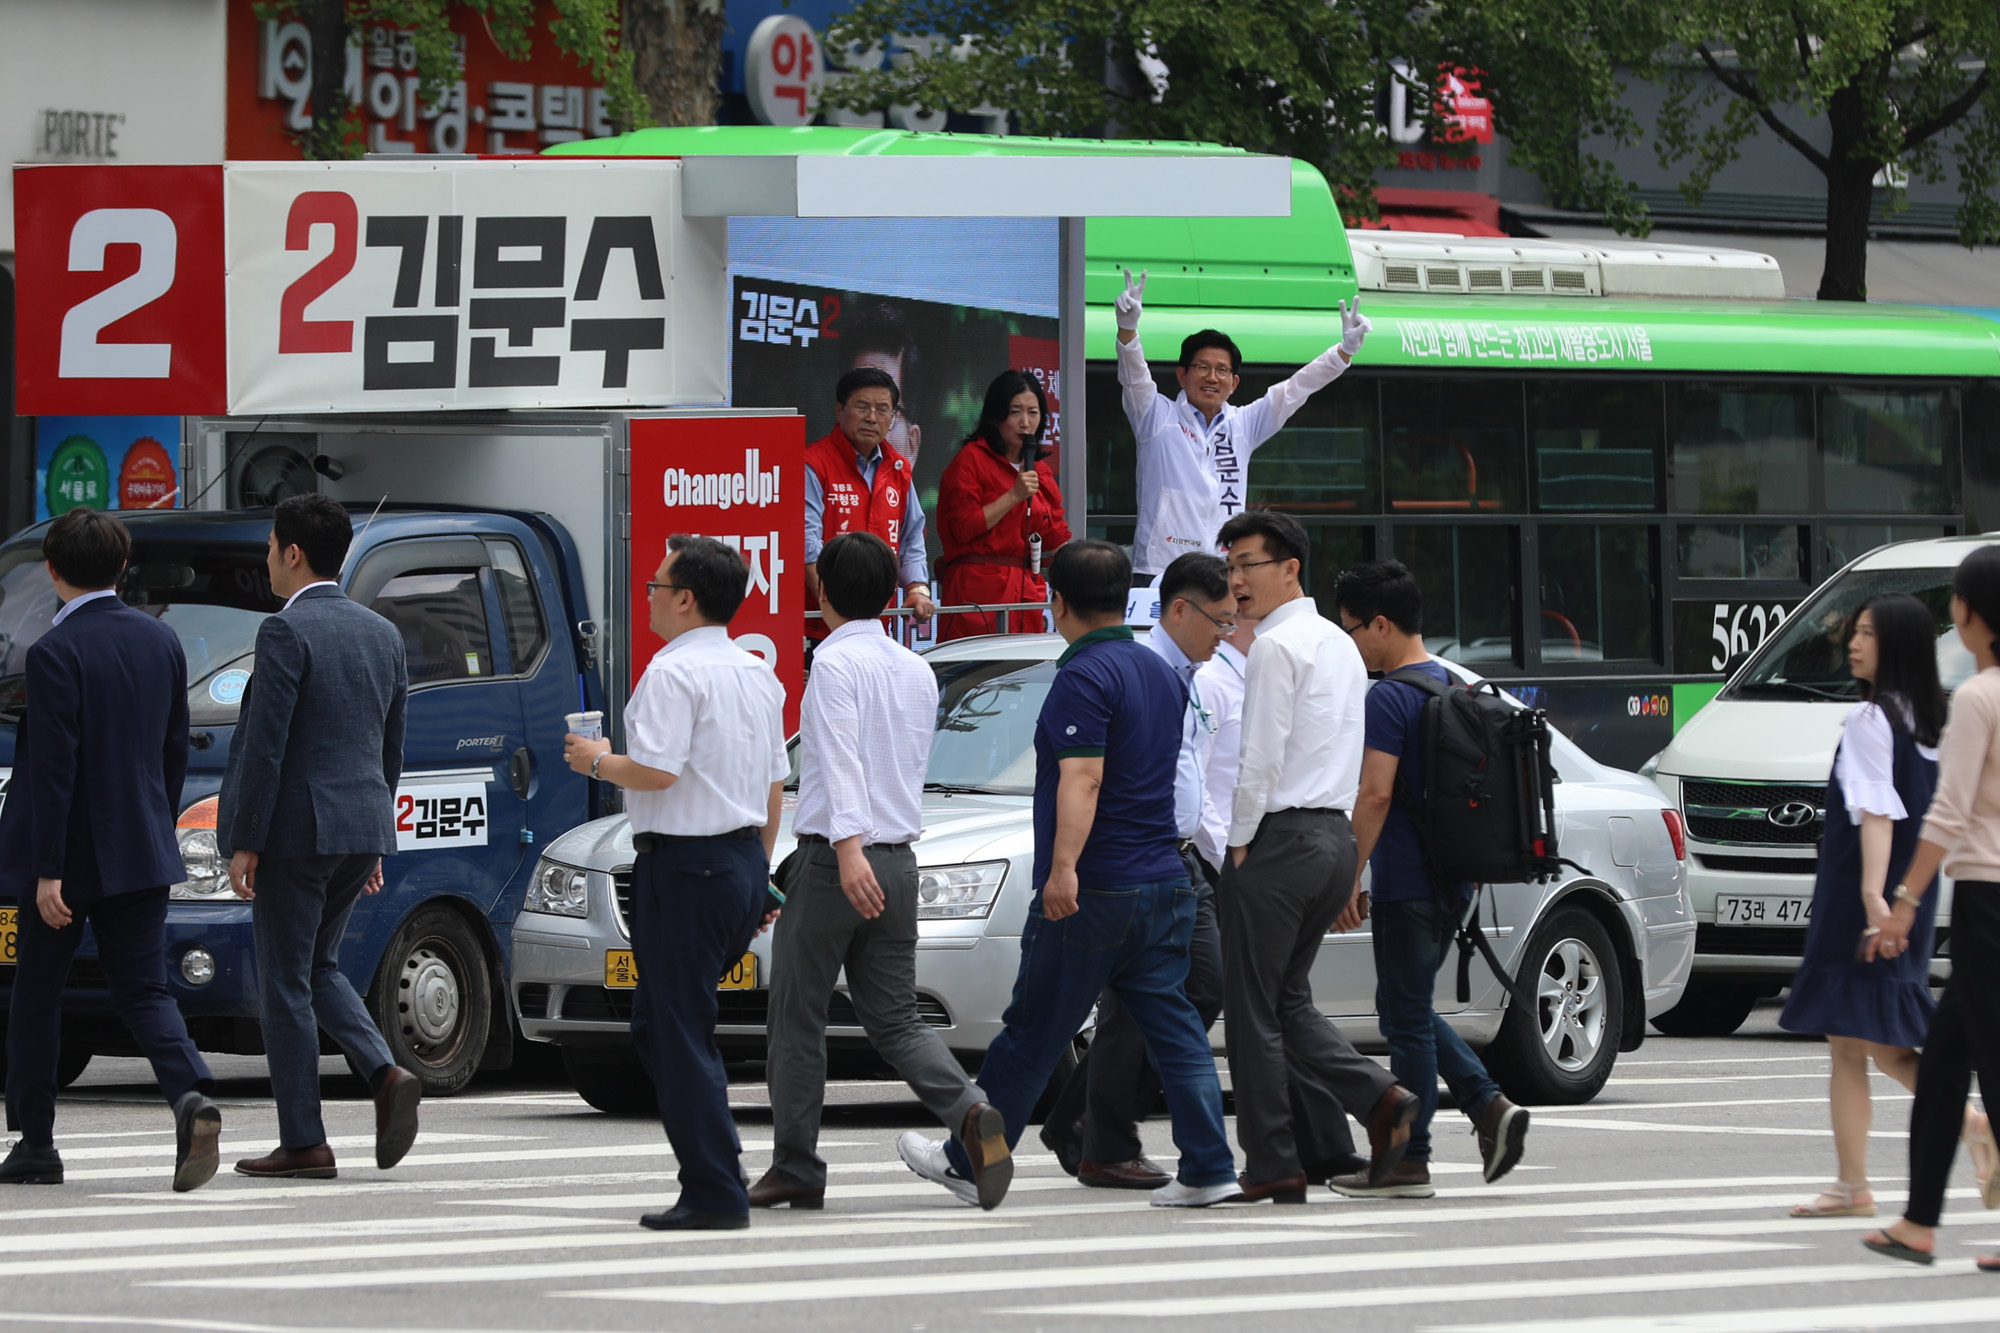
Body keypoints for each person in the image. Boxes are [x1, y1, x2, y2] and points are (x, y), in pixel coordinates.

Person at [897, 539, 1242, 1208]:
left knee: (1034, 1028)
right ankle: (1209, 1166)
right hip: (1163, 882)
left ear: (1056, 601)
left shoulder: (1084, 676)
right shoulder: (1161, 674)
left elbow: (1082, 779)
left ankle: (970, 1161)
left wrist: (1061, 869)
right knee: (1174, 1028)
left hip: (1096, 887)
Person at [1041, 554, 1364, 1190]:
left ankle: (1092, 1128)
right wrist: (1231, 855)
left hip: (1191, 856)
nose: (1228, 628)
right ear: (1181, 610)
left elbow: (1209, 779)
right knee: (1130, 997)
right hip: (1156, 858)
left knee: (1191, 991)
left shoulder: (1205, 673)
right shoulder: (1153, 670)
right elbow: (1112, 776)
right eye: (1220, 617)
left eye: (1233, 616)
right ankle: (1089, 1131)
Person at [757, 532, 1012, 1212]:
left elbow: (836, 759)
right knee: (896, 1016)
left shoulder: (834, 665)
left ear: (822, 592)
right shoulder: (915, 668)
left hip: (838, 857)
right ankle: (969, 1109)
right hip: (900, 859)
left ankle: (797, 1164)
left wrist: (845, 850)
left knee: (797, 1014)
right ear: (894, 594)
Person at [563, 535, 787, 1231]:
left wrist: (599, 759)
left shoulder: (671, 671)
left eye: (658, 585)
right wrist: (760, 876)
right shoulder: (755, 671)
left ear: (686, 598)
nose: (651, 595)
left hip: (687, 867)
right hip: (739, 861)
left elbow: (655, 771)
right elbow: (775, 782)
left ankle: (716, 1186)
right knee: (662, 1022)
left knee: (677, 1028)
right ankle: (716, 1165)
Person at [0, 508, 222, 1192]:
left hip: (67, 857)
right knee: (145, 989)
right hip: (141, 848)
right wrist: (153, 816)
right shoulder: (160, 641)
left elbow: (54, 769)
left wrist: (47, 868)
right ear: (121, 567)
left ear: (54, 572)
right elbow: (173, 748)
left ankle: (37, 1142)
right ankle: (189, 1094)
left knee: (35, 995)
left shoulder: (54, 652)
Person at [1217, 509, 1419, 1199]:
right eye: (1231, 566)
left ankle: (1273, 1162)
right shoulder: (1338, 641)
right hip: (1332, 839)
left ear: (1289, 567)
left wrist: (1239, 842)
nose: (1237, 580)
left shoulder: (1275, 647)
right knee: (1282, 1000)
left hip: (1281, 839)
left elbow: (1259, 758)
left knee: (1251, 1010)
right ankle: (1381, 1100)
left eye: (1248, 564)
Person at [220, 494, 420, 1182]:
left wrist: (245, 839)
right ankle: (384, 1070)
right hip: (359, 826)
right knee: (319, 967)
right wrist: (374, 834)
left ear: (293, 552)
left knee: (284, 981)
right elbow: (390, 744)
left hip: (296, 832)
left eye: (272, 545)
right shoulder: (381, 632)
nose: (268, 558)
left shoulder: (285, 632)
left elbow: (265, 746)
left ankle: (304, 1138)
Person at [1337, 559, 1529, 1199]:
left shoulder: (1389, 695)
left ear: (1382, 624)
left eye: (1354, 630)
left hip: (1409, 881)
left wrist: (1349, 874)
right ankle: (1486, 1106)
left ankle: (1412, 1159)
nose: (1354, 646)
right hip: (1455, 877)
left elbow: (1375, 795)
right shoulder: (1451, 684)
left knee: (1406, 1019)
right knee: (1405, 1006)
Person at [1784, 593, 1971, 1220]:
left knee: (1855, 1042)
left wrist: (1871, 898)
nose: (1852, 643)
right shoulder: (1930, 721)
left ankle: (1857, 1183)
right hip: (1913, 896)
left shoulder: (1871, 720)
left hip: (1862, 898)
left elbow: (1877, 818)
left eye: (1866, 634)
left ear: (1897, 645)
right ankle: (1869, 1175)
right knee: (1873, 1039)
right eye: (1854, 632)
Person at [1861, 549, 2000, 1267]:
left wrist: (1905, 902)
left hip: (1986, 899)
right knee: (1946, 1059)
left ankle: (1919, 1221)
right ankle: (1918, 1220)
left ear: (1970, 612)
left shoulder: (1980, 697)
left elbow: (1946, 813)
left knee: (1987, 1059)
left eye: (1956, 599)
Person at [1114, 268, 1369, 583]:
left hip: (1224, 573)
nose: (1212, 377)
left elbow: (1294, 390)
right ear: (1182, 375)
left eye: (1222, 370)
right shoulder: (1155, 415)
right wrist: (1127, 329)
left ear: (1234, 383)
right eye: (1202, 367)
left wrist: (1342, 353)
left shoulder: (1243, 424)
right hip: (1160, 571)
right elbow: (1134, 375)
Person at [935, 369, 1071, 639]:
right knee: (974, 675)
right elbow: (962, 527)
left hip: (1025, 594)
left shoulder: (1040, 470)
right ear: (997, 416)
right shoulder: (971, 459)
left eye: (1033, 413)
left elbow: (1057, 537)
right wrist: (1013, 495)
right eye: (1015, 412)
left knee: (1021, 676)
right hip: (977, 593)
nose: (1025, 422)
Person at [805, 368, 935, 650]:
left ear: (892, 418)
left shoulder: (899, 469)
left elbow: (911, 539)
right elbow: (807, 546)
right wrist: (838, 614)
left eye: (883, 410)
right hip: (820, 628)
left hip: (877, 628)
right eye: (862, 407)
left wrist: (917, 589)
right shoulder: (813, 464)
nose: (872, 418)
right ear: (840, 410)